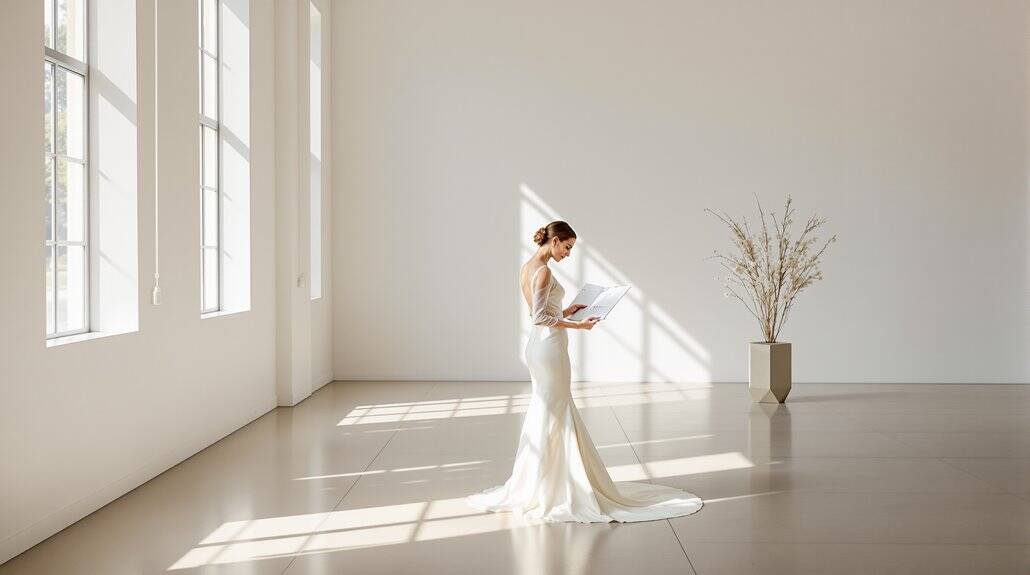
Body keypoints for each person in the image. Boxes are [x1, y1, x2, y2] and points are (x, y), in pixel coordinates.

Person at [466, 221, 703, 522]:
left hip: (538, 346)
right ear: (554, 241)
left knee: (548, 407)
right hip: (549, 346)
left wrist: (568, 311)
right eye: (567, 247)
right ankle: (564, 484)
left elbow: (539, 311)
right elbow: (540, 317)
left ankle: (545, 480)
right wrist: (578, 325)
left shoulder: (527, 267)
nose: (568, 253)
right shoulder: (544, 271)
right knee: (558, 407)